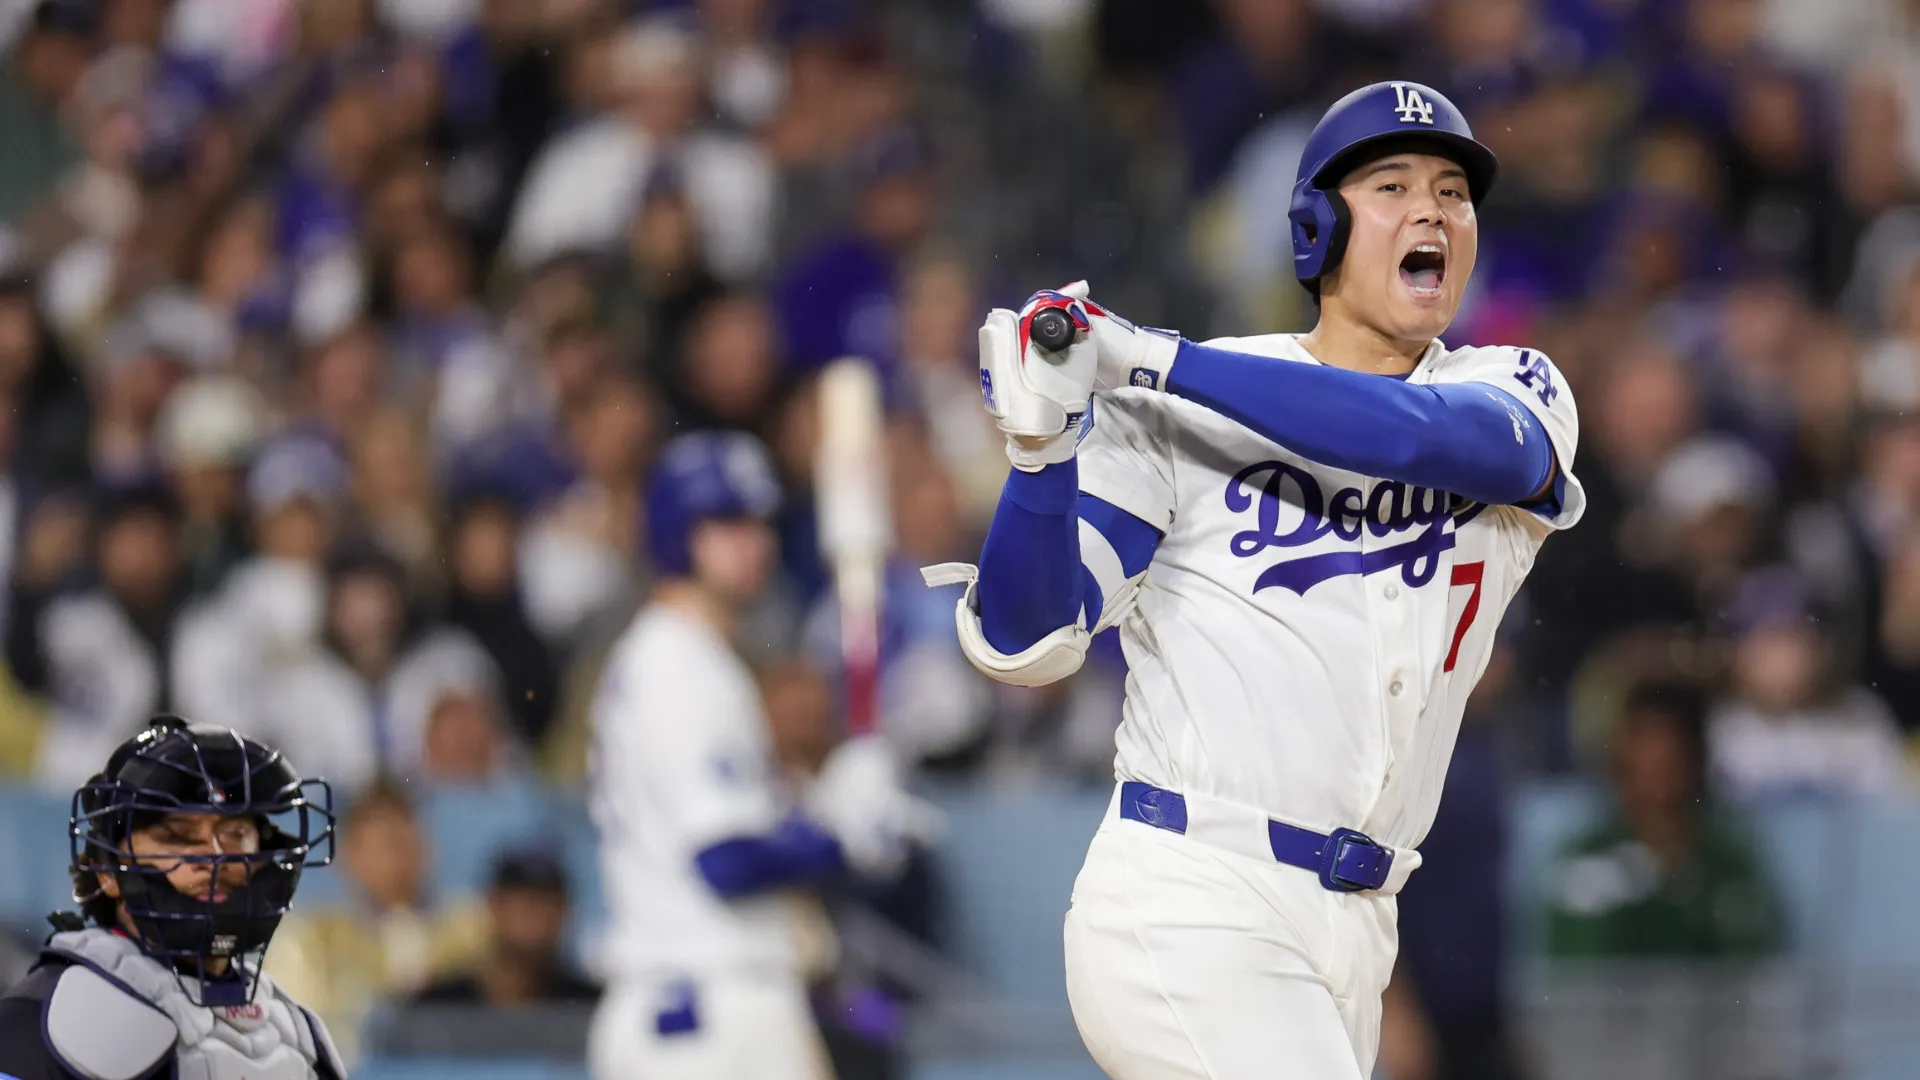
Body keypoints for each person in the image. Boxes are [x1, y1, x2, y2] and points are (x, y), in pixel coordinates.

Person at [925, 81, 1584, 1079]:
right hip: (1192, 891)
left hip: (1360, 919)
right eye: (1393, 184)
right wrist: (1039, 455)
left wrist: (1147, 357)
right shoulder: (1173, 414)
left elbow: (1420, 437)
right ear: (1316, 228)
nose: (1432, 211)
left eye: (1454, 193)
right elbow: (1025, 640)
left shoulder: (1508, 386)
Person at [586, 431, 933, 1080]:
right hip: (705, 1012)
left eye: (757, 522)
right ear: (675, 534)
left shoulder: (691, 659)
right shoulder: (678, 667)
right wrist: (843, 838)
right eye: (726, 523)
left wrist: (821, 808)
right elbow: (726, 858)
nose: (754, 542)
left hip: (708, 1009)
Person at [0, 714, 344, 1080]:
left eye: (235, 833)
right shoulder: (44, 1019)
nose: (215, 857)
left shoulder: (298, 1036)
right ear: (107, 870)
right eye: (178, 835)